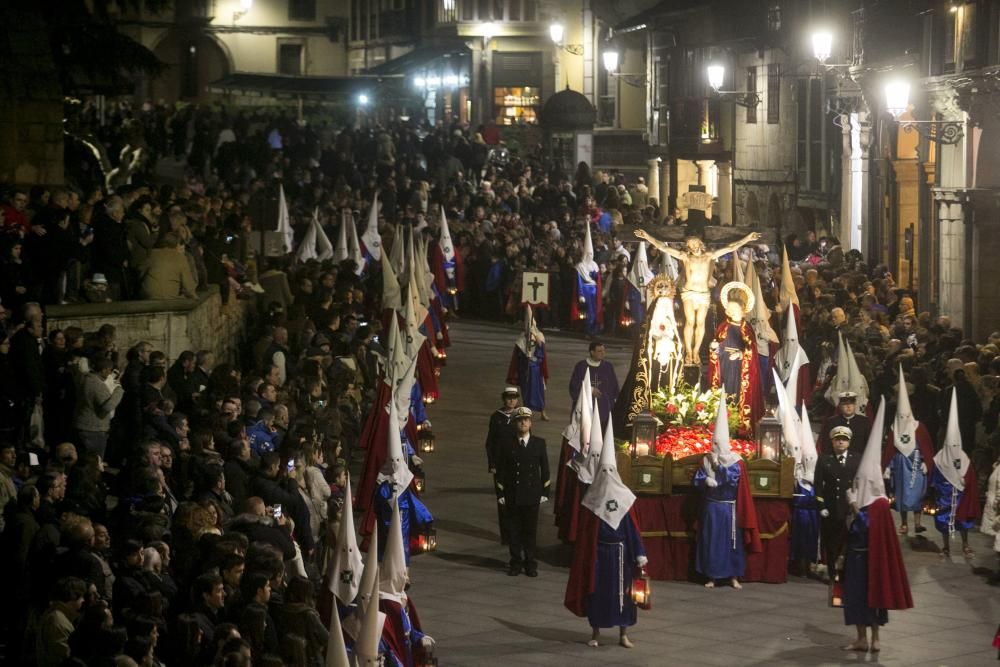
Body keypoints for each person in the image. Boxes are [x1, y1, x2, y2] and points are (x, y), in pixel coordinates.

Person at [564, 416, 647, 649]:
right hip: (600, 556)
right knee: (598, 594)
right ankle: (596, 632)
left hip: (622, 557)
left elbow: (632, 530)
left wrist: (639, 553)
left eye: (612, 469)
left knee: (624, 596)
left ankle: (623, 634)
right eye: (605, 469)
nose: (608, 473)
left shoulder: (625, 500)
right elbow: (587, 534)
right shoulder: (592, 501)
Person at [840, 399, 913, 654]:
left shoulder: (879, 505)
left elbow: (865, 528)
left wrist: (854, 508)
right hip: (856, 558)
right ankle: (861, 638)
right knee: (855, 598)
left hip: (871, 560)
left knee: (873, 599)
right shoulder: (868, 499)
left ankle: (875, 638)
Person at [635, 228, 760, 365]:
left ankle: (696, 351)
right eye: (690, 244)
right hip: (689, 292)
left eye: (695, 243)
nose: (693, 246)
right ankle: (688, 353)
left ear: (700, 243)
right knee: (690, 322)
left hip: (703, 294)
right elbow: (663, 247)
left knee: (700, 323)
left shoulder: (708, 256)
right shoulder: (685, 257)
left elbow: (730, 247)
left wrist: (747, 238)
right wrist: (647, 236)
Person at [691, 391, 761, 589]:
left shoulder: (735, 462)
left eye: (719, 444)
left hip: (729, 509)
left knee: (732, 542)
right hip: (712, 507)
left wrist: (718, 467)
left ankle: (733, 575)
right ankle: (711, 575)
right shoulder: (706, 460)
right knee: (711, 541)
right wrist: (705, 480)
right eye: (714, 444)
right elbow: (697, 480)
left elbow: (731, 481)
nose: (716, 448)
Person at [495, 407, 549, 577]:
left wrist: (545, 491)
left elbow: (545, 469)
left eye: (526, 420)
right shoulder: (507, 444)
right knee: (514, 531)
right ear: (515, 423)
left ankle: (530, 563)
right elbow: (501, 471)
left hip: (531, 495)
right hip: (513, 494)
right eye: (520, 420)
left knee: (530, 532)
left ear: (530, 423)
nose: (523, 423)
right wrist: (501, 494)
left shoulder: (539, 443)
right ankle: (516, 562)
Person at [882, 366, 934, 535]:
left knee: (917, 493)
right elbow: (890, 448)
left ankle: (918, 522)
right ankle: (904, 523)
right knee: (902, 493)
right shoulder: (894, 428)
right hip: (900, 463)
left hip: (917, 462)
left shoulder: (919, 427)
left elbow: (927, 446)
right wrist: (888, 466)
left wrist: (927, 461)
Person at [929, 388, 981, 558]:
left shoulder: (964, 458)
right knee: (944, 521)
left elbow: (970, 477)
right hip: (945, 496)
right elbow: (935, 476)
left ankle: (965, 544)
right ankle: (945, 547)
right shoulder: (940, 458)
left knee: (963, 520)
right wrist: (939, 488)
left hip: (961, 494)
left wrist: (965, 483)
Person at [709, 282, 763, 433]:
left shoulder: (746, 329)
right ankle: (723, 423)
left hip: (739, 368)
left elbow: (751, 349)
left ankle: (737, 425)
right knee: (724, 392)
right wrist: (714, 349)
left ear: (743, 311)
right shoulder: (722, 327)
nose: (732, 312)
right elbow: (717, 345)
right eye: (730, 309)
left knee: (737, 392)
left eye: (735, 309)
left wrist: (741, 354)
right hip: (725, 365)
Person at [815, 425, 861, 577]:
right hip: (831, 508)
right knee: (831, 542)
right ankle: (832, 571)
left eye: (844, 440)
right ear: (832, 441)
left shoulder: (856, 459)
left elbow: (860, 482)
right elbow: (818, 485)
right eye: (838, 440)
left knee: (848, 541)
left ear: (849, 442)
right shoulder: (824, 459)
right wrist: (821, 505)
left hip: (849, 508)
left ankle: (846, 571)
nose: (841, 442)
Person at [485, 386, 520, 544]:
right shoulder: (496, 417)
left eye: (514, 397)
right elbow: (490, 442)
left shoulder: (521, 416)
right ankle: (506, 535)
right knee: (502, 500)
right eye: (509, 397)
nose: (511, 400)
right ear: (504, 399)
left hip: (517, 464)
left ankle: (517, 533)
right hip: (501, 465)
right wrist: (492, 463)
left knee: (518, 499)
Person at [73, 355, 125, 459]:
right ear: (104, 370)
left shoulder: (85, 378)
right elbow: (107, 407)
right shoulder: (97, 384)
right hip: (94, 429)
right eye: (110, 370)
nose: (110, 373)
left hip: (84, 425)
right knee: (94, 461)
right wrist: (119, 389)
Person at [506, 305, 548, 420]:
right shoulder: (522, 338)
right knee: (526, 390)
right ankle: (526, 410)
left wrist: (535, 338)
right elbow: (518, 355)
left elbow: (541, 351)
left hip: (536, 368)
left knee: (539, 391)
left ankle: (542, 412)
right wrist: (525, 356)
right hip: (525, 368)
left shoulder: (539, 336)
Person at [569, 341, 619, 427]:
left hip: (603, 410)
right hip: (585, 409)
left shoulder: (608, 367)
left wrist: (613, 404)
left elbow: (614, 387)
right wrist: (590, 390)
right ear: (592, 352)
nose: (603, 353)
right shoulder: (581, 366)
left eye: (603, 351)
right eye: (599, 351)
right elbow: (574, 386)